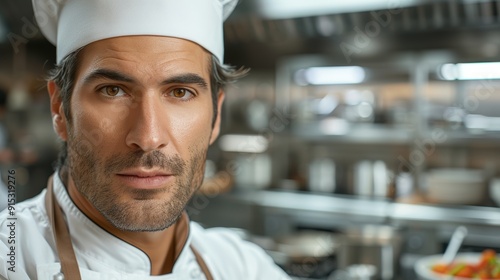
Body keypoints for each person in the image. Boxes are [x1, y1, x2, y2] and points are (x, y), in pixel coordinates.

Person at [0, 0, 291, 279]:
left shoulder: (241, 268)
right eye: (112, 90)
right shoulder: (10, 259)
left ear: (216, 116)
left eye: (180, 92)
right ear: (59, 109)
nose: (149, 138)